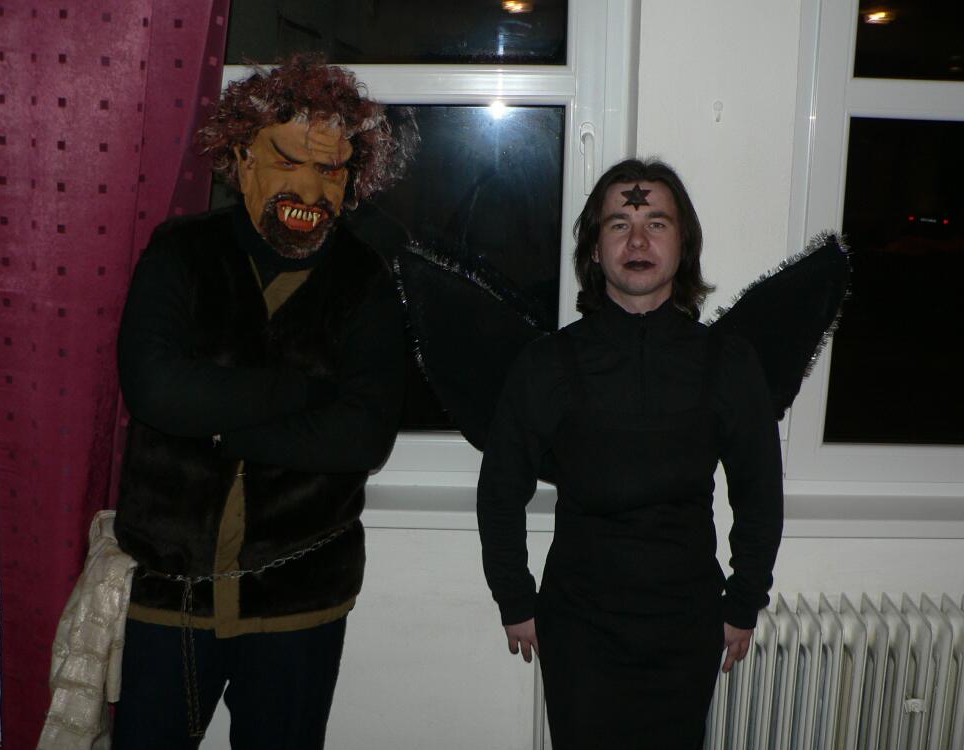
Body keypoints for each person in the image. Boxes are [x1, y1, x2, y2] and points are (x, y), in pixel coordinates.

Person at [111, 56, 415, 749]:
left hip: (300, 597)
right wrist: (305, 394)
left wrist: (226, 432)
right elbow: (156, 390)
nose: (310, 188)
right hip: (169, 592)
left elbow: (364, 437)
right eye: (289, 160)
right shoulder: (180, 252)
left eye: (331, 170)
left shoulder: (364, 278)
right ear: (243, 157)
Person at [476, 158, 783, 749]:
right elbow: (501, 488)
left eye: (656, 224)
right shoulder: (547, 363)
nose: (638, 241)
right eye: (619, 225)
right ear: (594, 249)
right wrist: (513, 596)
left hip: (687, 627)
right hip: (579, 629)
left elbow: (760, 492)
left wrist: (745, 600)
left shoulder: (728, 362)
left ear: (683, 245)